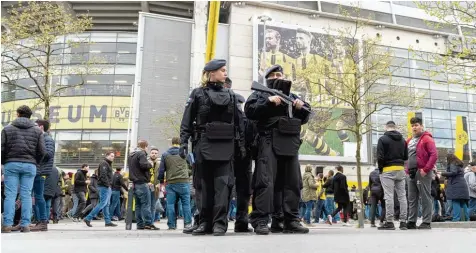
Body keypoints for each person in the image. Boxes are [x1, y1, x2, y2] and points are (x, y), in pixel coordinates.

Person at [179, 59, 245, 236]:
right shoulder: (198, 93)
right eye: (222, 70)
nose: (225, 73)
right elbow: (187, 120)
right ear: (211, 73)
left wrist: (241, 146)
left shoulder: (231, 95)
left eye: (225, 70)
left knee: (223, 187)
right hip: (203, 144)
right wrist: (183, 142)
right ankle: (204, 223)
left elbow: (240, 124)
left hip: (225, 146)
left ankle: (220, 224)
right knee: (203, 186)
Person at [245, 64, 311, 235]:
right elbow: (249, 110)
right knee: (265, 182)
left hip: (290, 143)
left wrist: (300, 107)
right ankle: (260, 220)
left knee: (293, 182)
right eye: (273, 75)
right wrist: (267, 102)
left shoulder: (292, 96)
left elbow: (306, 115)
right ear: (268, 79)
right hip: (267, 140)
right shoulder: (260, 94)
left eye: (279, 74)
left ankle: (290, 220)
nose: (277, 77)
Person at [1, 105, 46, 233]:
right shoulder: (37, 131)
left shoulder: (7, 129)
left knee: (10, 194)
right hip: (30, 165)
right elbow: (43, 151)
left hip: (11, 164)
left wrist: (4, 162)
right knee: (26, 195)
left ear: (18, 114)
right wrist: (35, 162)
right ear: (30, 116)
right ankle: (25, 225)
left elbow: (1, 149)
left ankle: (7, 225)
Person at [224, 77, 254, 233]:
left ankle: (224, 221)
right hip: (241, 156)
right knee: (241, 190)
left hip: (234, 156)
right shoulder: (242, 116)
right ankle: (241, 221)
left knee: (229, 188)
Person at [406, 117, 437, 229]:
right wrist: (406, 170)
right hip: (410, 172)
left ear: (422, 126)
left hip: (422, 172)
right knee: (412, 198)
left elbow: (434, 155)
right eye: (413, 125)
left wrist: (425, 169)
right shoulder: (409, 140)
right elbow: (406, 156)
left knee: (425, 197)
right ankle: (411, 221)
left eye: (417, 125)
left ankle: (426, 222)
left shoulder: (427, 138)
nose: (414, 127)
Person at [377, 121, 408, 230]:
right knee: (402, 196)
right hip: (400, 169)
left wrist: (381, 170)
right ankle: (403, 222)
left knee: (389, 196)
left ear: (386, 127)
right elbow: (405, 157)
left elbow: (380, 157)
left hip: (387, 170)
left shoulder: (382, 139)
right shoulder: (403, 140)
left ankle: (389, 222)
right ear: (395, 127)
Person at [158, 137, 192, 230]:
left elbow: (161, 170)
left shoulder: (165, 154)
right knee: (186, 204)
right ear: (180, 143)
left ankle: (172, 225)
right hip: (184, 182)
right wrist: (187, 173)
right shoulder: (185, 153)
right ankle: (188, 224)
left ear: (171, 143)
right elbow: (192, 166)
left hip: (171, 183)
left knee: (170, 204)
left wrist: (161, 181)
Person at [29, 119, 55, 232]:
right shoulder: (42, 138)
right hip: (38, 169)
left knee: (39, 196)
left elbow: (48, 154)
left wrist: (34, 155)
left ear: (40, 127)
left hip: (40, 170)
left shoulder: (47, 138)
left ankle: (43, 222)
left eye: (35, 125)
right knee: (36, 197)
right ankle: (40, 221)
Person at [129, 140, 159, 230]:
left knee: (138, 205)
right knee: (146, 204)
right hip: (142, 183)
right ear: (145, 146)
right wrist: (149, 164)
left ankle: (140, 224)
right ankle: (148, 223)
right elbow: (143, 165)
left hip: (135, 183)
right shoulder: (141, 154)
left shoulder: (131, 155)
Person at [83, 151, 117, 227]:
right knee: (103, 203)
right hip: (104, 186)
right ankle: (88, 218)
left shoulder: (107, 164)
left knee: (106, 204)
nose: (113, 157)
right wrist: (107, 185)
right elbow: (103, 175)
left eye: (113, 156)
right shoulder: (104, 163)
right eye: (111, 156)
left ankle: (107, 221)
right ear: (107, 155)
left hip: (106, 186)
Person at [440, 154, 470, 221]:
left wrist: (442, 173)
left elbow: (453, 172)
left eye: (446, 159)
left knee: (455, 201)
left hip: (455, 184)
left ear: (449, 158)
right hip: (462, 184)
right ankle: (467, 218)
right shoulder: (459, 164)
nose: (446, 160)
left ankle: (456, 218)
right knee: (463, 202)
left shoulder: (453, 163)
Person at [148, 147, 160, 223]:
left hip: (156, 187)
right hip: (147, 185)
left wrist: (159, 183)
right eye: (152, 153)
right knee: (146, 205)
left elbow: (162, 175)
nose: (154, 154)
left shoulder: (159, 164)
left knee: (153, 205)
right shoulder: (146, 162)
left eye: (155, 153)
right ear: (150, 153)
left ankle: (151, 222)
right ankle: (146, 222)